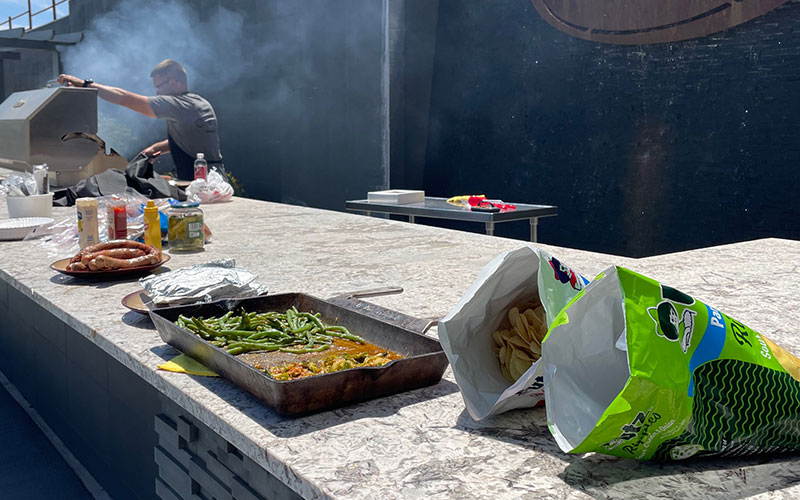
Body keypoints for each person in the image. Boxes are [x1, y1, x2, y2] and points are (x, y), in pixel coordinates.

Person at [57, 59, 223, 180]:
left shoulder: (177, 104)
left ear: (173, 83)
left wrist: (84, 84)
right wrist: (154, 149)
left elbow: (124, 98)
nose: (157, 93)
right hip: (213, 179)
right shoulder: (197, 102)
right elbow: (191, 137)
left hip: (202, 184)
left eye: (158, 87)